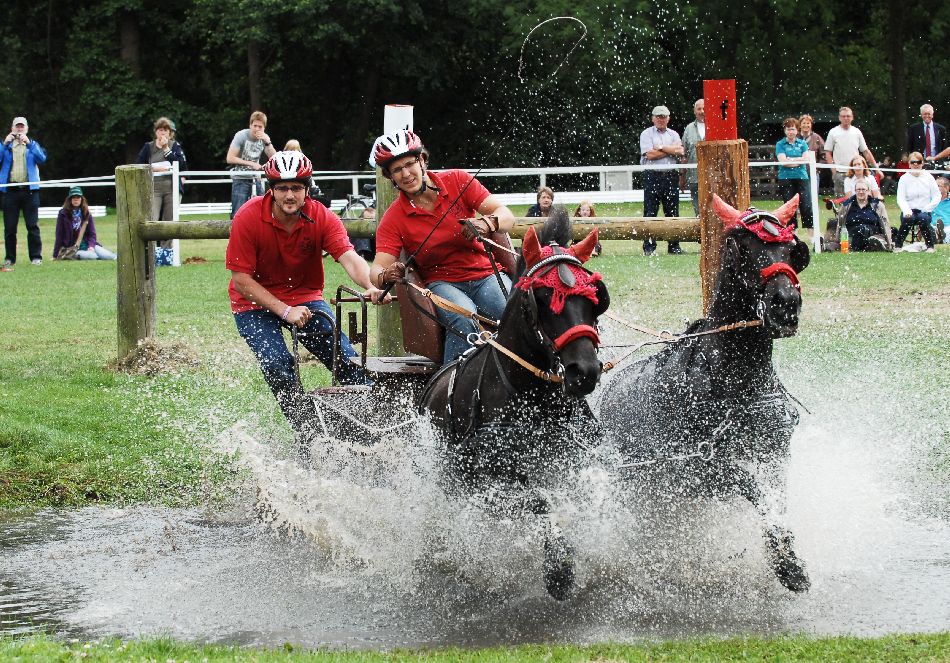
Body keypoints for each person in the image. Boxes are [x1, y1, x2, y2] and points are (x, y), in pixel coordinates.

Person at [226, 151, 383, 439]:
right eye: (282, 188)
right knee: (277, 363)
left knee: (346, 358)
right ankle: (306, 429)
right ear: (270, 189)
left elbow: (348, 255)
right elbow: (241, 280)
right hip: (252, 303)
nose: (289, 195)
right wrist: (285, 310)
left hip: (304, 297)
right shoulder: (247, 217)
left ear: (307, 190)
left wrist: (369, 284)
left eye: (296, 188)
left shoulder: (320, 216)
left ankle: (367, 426)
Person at [367, 129, 516, 365]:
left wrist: (488, 222)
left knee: (512, 313)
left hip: (486, 274)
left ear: (423, 160)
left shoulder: (458, 180)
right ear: (390, 177)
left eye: (410, 164)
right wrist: (386, 274)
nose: (406, 174)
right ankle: (448, 390)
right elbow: (376, 272)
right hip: (442, 283)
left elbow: (507, 217)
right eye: (397, 170)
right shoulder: (393, 218)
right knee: (465, 317)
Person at [136, 117, 186, 257]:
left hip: (171, 189)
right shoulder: (148, 147)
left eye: (165, 130)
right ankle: (150, 252)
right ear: (156, 132)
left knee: (169, 220)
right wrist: (154, 169)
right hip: (153, 189)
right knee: (152, 218)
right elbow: (139, 164)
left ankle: (167, 252)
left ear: (170, 133)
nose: (162, 133)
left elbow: (181, 165)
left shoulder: (175, 146)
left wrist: (166, 149)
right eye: (160, 130)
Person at [1, 116, 47, 267]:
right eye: (17, 127)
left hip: (30, 191)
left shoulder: (32, 145)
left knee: (32, 226)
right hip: (10, 191)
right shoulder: (6, 146)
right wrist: (4, 143)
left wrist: (30, 144)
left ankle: (35, 257)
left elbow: (42, 159)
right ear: (12, 128)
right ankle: (10, 258)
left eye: (22, 127)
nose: (19, 129)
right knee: (10, 227)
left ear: (26, 129)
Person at [640, 105, 684, 255]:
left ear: (668, 118)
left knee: (672, 212)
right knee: (650, 212)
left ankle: (674, 246)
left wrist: (659, 147)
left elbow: (680, 151)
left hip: (671, 176)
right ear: (653, 118)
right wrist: (669, 150)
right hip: (652, 175)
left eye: (663, 117)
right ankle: (649, 247)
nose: (661, 119)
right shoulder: (646, 134)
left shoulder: (674, 134)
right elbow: (649, 155)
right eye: (658, 117)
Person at [226, 111, 276, 218]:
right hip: (240, 177)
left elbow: (274, 158)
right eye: (255, 126)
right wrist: (252, 164)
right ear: (250, 125)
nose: (257, 129)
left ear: (264, 128)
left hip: (255, 178)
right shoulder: (241, 136)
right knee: (237, 213)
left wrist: (268, 142)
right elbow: (230, 158)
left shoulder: (264, 139)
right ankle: (235, 232)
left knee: (264, 208)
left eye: (260, 126)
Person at [825, 107, 879, 196]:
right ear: (839, 118)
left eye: (848, 116)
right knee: (842, 202)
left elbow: (865, 151)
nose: (846, 118)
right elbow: (828, 152)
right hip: (840, 173)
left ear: (852, 117)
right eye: (843, 116)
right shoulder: (833, 132)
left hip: (856, 172)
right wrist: (834, 171)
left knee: (859, 199)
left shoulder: (857, 132)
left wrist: (876, 168)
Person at [893, 152, 940, 253]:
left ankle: (930, 246)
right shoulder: (903, 179)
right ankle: (898, 246)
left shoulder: (929, 177)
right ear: (909, 164)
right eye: (913, 162)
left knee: (923, 219)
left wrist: (927, 208)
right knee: (908, 219)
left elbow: (937, 196)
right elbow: (900, 198)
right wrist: (906, 211)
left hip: (924, 209)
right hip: (909, 209)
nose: (916, 164)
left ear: (922, 163)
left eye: (918, 162)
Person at [53, 187, 117, 260]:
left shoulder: (87, 213)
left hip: (87, 244)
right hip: (73, 248)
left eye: (78, 197)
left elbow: (92, 234)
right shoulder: (63, 214)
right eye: (73, 197)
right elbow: (59, 235)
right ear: (69, 199)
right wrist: (55, 255)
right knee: (93, 257)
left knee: (110, 257)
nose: (76, 199)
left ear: (81, 199)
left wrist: (91, 246)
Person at [775, 117, 812, 230]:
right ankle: (792, 232)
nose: (790, 132)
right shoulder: (780, 144)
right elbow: (783, 162)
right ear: (785, 130)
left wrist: (791, 160)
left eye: (793, 129)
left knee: (806, 205)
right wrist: (798, 161)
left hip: (802, 177)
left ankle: (811, 233)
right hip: (786, 178)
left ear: (797, 130)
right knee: (789, 206)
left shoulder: (802, 143)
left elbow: (806, 159)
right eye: (788, 129)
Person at [835, 181, 892, 252]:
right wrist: (837, 242)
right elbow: (839, 224)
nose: (861, 192)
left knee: (871, 235)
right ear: (855, 191)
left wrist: (889, 244)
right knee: (860, 230)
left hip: (873, 235)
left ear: (868, 191)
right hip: (852, 236)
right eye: (858, 189)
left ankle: (874, 246)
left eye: (863, 189)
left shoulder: (878, 205)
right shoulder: (846, 205)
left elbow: (885, 224)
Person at [681, 99, 705, 216]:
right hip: (694, 177)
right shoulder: (689, 129)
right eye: (699, 109)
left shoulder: (716, 126)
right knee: (698, 213)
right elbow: (684, 154)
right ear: (694, 111)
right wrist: (682, 176)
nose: (702, 111)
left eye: (704, 108)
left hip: (713, 177)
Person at [932, 176, 950, 244]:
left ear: (947, 188)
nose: (935, 188)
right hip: (933, 224)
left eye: (938, 186)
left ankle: (939, 238)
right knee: (931, 229)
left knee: (948, 231)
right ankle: (939, 237)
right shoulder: (930, 199)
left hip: (948, 225)